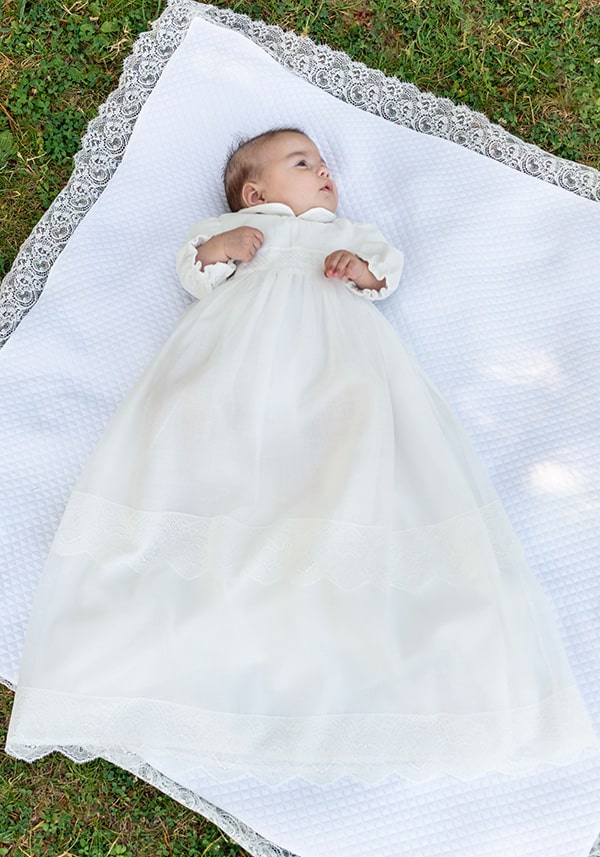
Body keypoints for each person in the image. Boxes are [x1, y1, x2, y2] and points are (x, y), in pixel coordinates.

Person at [6, 128, 597, 785]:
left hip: (336, 361)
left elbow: (383, 270)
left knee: (353, 430)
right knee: (200, 435)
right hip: (234, 368)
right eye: (303, 162)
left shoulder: (342, 232)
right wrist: (220, 248)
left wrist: (360, 270)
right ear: (254, 192)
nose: (325, 172)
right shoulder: (236, 227)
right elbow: (195, 268)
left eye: (321, 162)